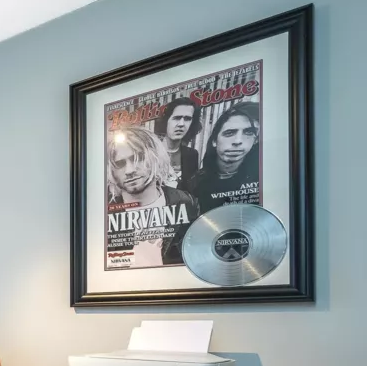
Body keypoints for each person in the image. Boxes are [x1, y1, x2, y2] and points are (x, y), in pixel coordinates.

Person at [106, 126, 199, 267]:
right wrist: (132, 259)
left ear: (155, 157)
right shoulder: (103, 213)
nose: (130, 170)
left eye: (138, 159)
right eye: (120, 164)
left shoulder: (186, 202)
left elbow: (197, 255)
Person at [185, 102, 261, 214]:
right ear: (215, 140)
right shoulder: (194, 184)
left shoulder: (261, 180)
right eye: (230, 133)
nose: (238, 141)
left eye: (248, 132)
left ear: (256, 140)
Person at [153, 96, 201, 188]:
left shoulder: (192, 154)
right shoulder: (151, 152)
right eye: (177, 118)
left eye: (187, 119)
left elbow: (191, 190)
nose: (181, 124)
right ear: (166, 120)